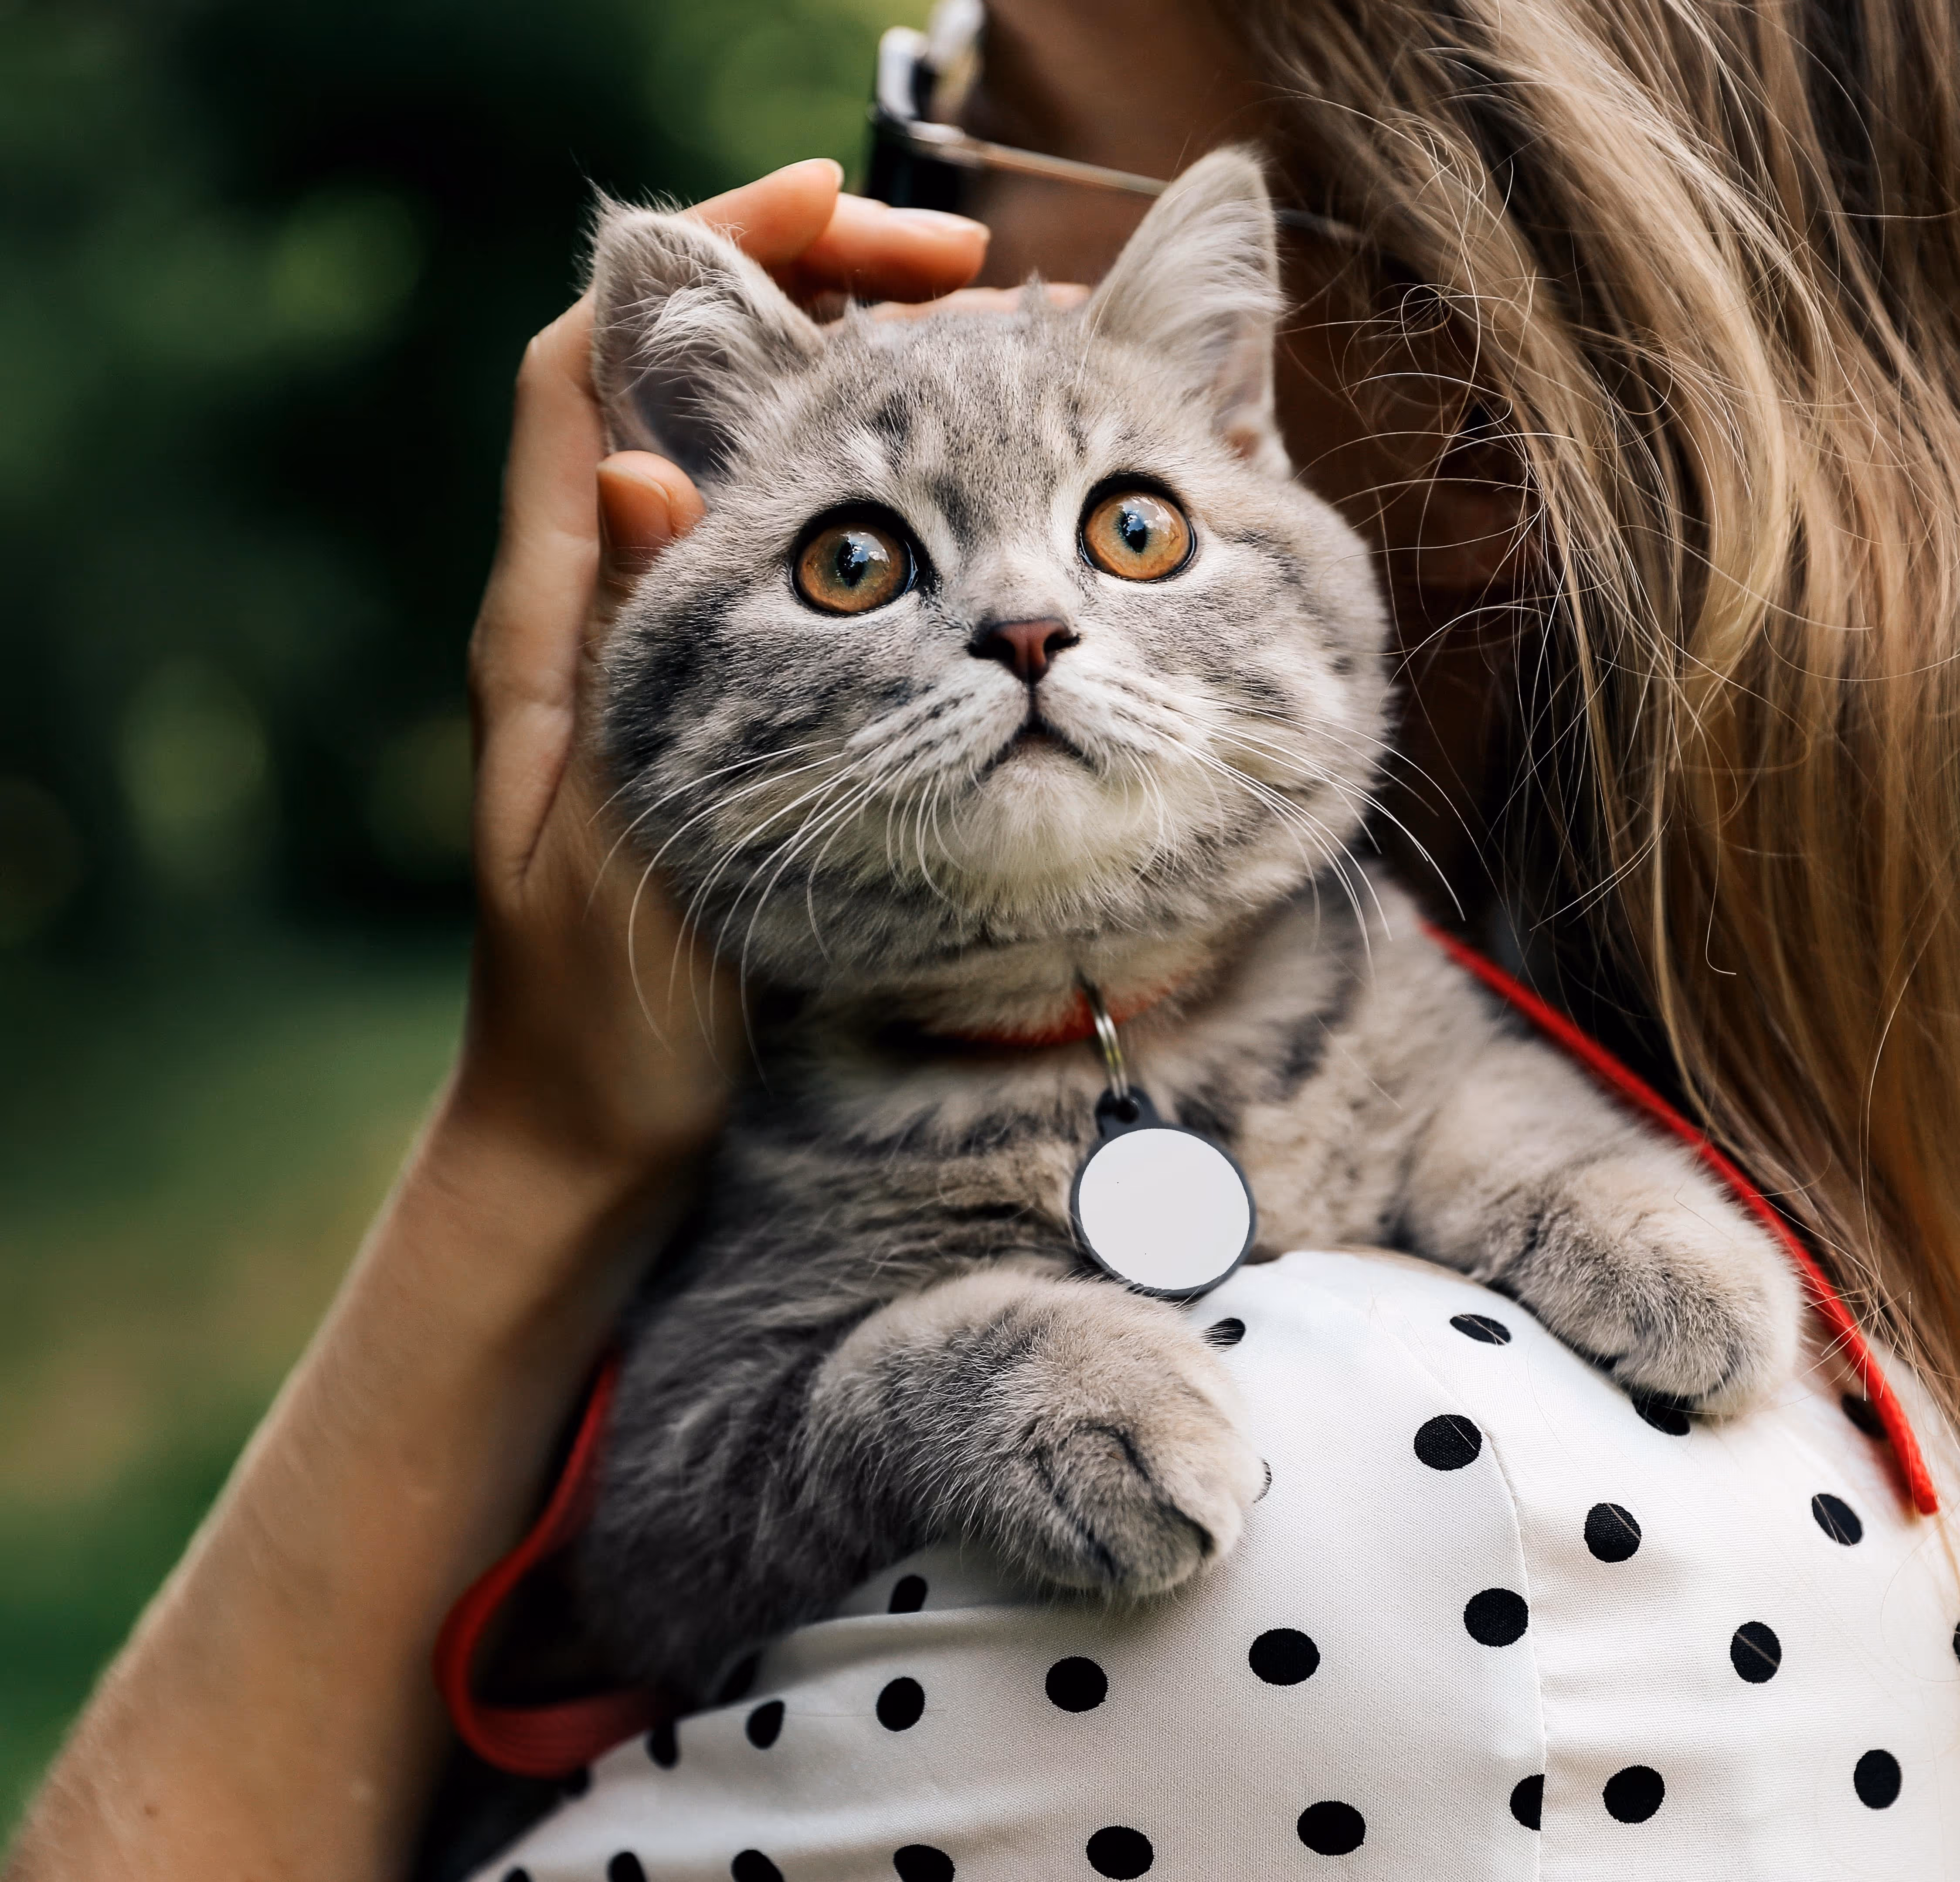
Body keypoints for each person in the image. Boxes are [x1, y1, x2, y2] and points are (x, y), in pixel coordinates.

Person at [10, 0, 1960, 1873]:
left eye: (1132, 528)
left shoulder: (1442, 1483)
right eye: (855, 557)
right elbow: (669, 1533)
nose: (1026, 626)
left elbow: (1457, 1108)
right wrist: (909, 1365)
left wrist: (1520, 1168)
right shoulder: (777, 1115)